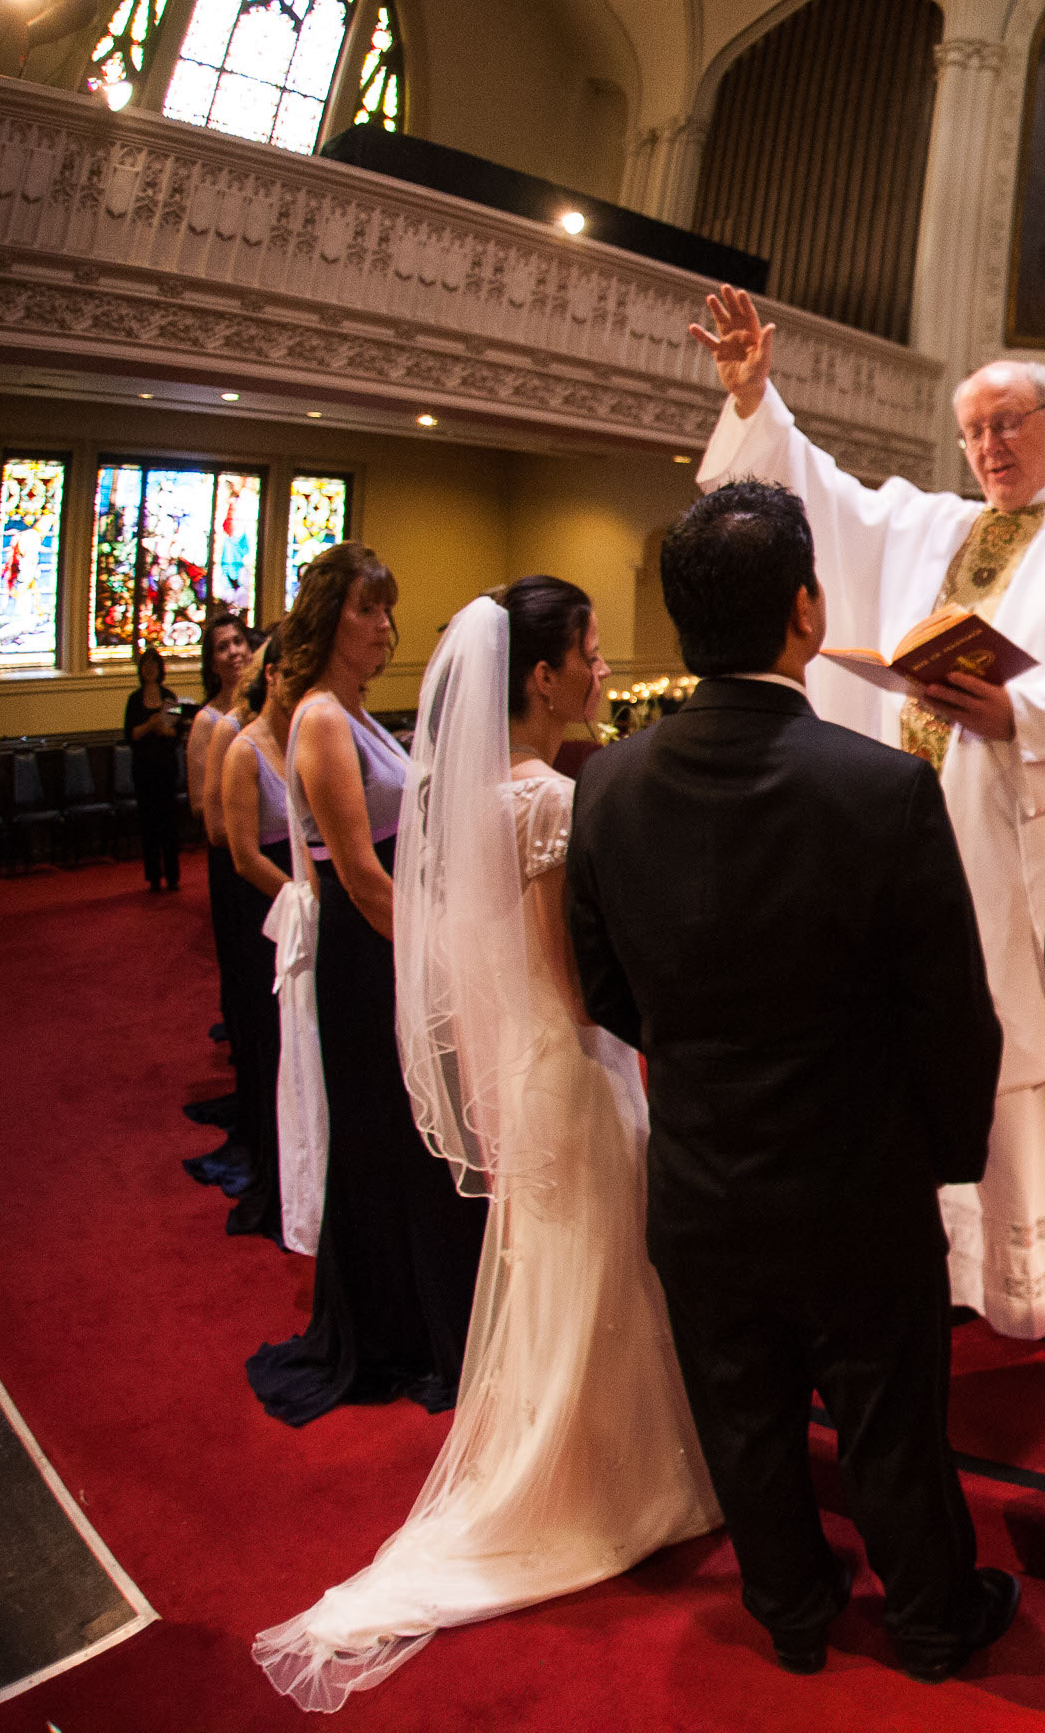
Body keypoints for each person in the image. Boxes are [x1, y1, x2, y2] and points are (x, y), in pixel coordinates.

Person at [688, 284, 1045, 1365]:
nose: (987, 445)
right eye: (972, 429)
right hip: (912, 843)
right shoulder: (932, 525)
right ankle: (958, 1269)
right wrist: (754, 396)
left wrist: (1027, 709)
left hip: (1024, 843)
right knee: (928, 1043)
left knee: (1029, 1058)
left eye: (1007, 422)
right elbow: (817, 500)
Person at [568, 482, 1013, 1682]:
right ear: (806, 610)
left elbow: (603, 983)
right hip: (856, 1170)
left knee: (741, 1410)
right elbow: (951, 1014)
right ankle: (929, 1616)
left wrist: (702, 1056)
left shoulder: (607, 785)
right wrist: (940, 1154)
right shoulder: (877, 788)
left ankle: (790, 1605)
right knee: (889, 1419)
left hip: (701, 1167)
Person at [256, 580, 719, 1710]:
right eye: (592, 654)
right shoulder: (548, 801)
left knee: (559, 1270)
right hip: (572, 1062)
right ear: (544, 677)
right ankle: (605, 1481)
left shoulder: (469, 797)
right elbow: (574, 983)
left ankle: (577, 1456)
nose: (605, 671)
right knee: (602, 1259)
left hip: (527, 1071)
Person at [245, 545, 493, 1426]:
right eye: (366, 609)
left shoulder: (357, 712)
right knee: (387, 1130)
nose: (384, 625)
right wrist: (440, 951)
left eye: (388, 610)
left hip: (394, 929)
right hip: (368, 944)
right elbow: (356, 872)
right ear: (327, 617)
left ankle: (419, 1314)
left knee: (407, 1135)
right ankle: (396, 1326)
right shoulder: (318, 717)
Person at [217, 642, 298, 1242]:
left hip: (298, 894)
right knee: (270, 1039)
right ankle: (273, 1169)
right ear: (270, 676)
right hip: (264, 906)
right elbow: (243, 855)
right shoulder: (243, 749)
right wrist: (303, 902)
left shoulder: (306, 738)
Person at [184, 612, 258, 1194]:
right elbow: (203, 813)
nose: (233, 652)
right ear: (211, 661)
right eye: (223, 646)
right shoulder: (211, 721)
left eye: (239, 641)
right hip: (231, 856)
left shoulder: (257, 711)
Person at [122, 647, 185, 891]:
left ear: (160, 669)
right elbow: (131, 735)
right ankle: (153, 878)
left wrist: (164, 729)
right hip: (144, 770)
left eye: (154, 665)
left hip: (166, 770)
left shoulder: (170, 697)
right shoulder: (134, 700)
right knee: (149, 825)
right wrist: (150, 724)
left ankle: (172, 876)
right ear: (141, 670)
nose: (149, 669)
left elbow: (177, 733)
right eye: (145, 665)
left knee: (169, 824)